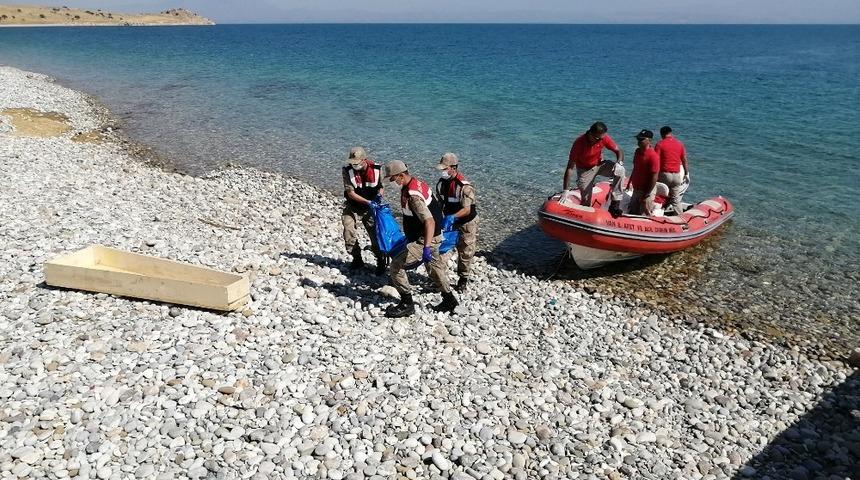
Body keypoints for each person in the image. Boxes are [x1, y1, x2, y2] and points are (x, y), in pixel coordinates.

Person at [383, 160, 458, 317]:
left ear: (401, 176)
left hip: (425, 239)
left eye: (392, 178)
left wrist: (425, 247)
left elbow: (429, 221)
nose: (391, 182)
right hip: (433, 236)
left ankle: (407, 303)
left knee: (396, 266)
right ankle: (449, 300)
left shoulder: (413, 197)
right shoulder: (416, 183)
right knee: (435, 269)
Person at [435, 153, 478, 292]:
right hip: (449, 222)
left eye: (445, 168)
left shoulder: (464, 187)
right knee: (441, 249)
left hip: (467, 222)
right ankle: (439, 279)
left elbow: (466, 209)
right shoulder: (441, 184)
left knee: (466, 251)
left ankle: (463, 278)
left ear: (453, 168)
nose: (442, 172)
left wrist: (452, 217)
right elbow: (441, 203)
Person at [563, 121, 625, 217]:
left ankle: (615, 204)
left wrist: (619, 162)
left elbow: (618, 151)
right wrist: (565, 190)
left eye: (601, 138)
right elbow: (570, 168)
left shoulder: (603, 138)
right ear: (590, 133)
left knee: (620, 171)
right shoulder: (579, 143)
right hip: (585, 170)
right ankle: (584, 215)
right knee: (586, 198)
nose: (600, 140)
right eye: (598, 138)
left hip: (600, 165)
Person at [341, 146, 386, 275]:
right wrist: (367, 202)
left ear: (364, 160)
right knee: (348, 229)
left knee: (375, 235)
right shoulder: (347, 170)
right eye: (352, 163)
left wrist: (378, 197)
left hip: (370, 208)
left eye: (357, 163)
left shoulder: (377, 169)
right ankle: (357, 258)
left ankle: (381, 261)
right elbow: (350, 192)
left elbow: (381, 187)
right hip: (353, 205)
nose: (354, 165)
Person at [654, 126, 690, 215]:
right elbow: (684, 159)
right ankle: (680, 217)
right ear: (671, 133)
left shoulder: (660, 144)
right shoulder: (679, 144)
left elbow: (656, 160)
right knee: (676, 199)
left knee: (658, 196)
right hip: (677, 176)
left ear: (661, 134)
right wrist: (686, 172)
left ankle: (656, 215)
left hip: (664, 175)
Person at [627, 129, 660, 216]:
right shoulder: (637, 152)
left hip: (647, 191)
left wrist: (647, 194)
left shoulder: (653, 156)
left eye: (641, 139)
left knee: (644, 216)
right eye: (638, 139)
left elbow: (654, 177)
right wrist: (629, 182)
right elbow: (635, 168)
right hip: (636, 189)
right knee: (631, 213)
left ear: (649, 140)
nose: (639, 141)